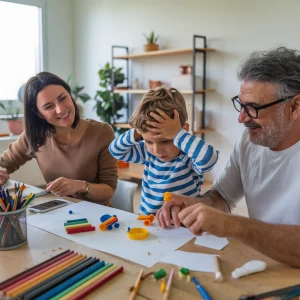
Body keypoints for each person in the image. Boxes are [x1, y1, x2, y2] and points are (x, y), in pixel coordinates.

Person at [156, 47, 300, 267]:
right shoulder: (249, 141)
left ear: (295, 106)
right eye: (241, 104)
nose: (241, 118)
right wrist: (195, 205)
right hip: (262, 263)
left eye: (252, 108)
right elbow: (222, 196)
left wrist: (233, 226)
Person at [0, 72, 118, 206]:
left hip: (97, 216)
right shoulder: (35, 135)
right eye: (49, 106)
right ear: (38, 113)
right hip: (57, 212)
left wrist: (81, 186)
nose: (61, 109)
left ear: (70, 94)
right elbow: (4, 162)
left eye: (63, 98)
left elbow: (109, 190)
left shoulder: (101, 132)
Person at [109, 87, 219, 215]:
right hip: (149, 222)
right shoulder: (147, 152)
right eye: (149, 141)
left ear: (183, 130)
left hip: (183, 225)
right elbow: (115, 151)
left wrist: (178, 134)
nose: (157, 150)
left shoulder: (188, 156)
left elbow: (208, 158)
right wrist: (137, 131)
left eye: (165, 141)